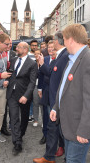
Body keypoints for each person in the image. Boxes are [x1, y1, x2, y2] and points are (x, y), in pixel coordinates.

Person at [51, 24, 90, 163]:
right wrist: (55, 108)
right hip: (69, 124)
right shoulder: (73, 58)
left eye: (63, 39)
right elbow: (63, 87)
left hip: (79, 128)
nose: (63, 43)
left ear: (71, 40)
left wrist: (85, 130)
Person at [33, 31, 69, 163]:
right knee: (52, 128)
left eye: (53, 40)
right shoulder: (60, 55)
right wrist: (42, 64)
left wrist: (43, 64)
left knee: (62, 130)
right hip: (55, 99)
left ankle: (68, 157)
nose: (52, 43)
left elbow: (55, 76)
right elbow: (50, 72)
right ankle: (49, 157)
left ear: (58, 42)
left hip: (60, 100)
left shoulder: (64, 55)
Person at [6, 42, 37, 155]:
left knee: (24, 118)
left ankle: (21, 134)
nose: (16, 49)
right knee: (13, 117)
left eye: (18, 47)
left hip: (24, 95)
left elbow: (32, 82)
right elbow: (11, 74)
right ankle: (17, 142)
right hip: (12, 93)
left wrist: (26, 96)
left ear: (25, 49)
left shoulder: (32, 64)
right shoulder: (13, 60)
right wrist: (7, 81)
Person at [38, 40, 56, 145]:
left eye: (52, 47)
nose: (50, 49)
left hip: (54, 91)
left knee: (53, 115)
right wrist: (39, 89)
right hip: (45, 90)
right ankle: (45, 134)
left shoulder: (59, 60)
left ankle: (54, 137)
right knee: (45, 114)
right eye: (49, 47)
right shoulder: (44, 59)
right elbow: (40, 75)